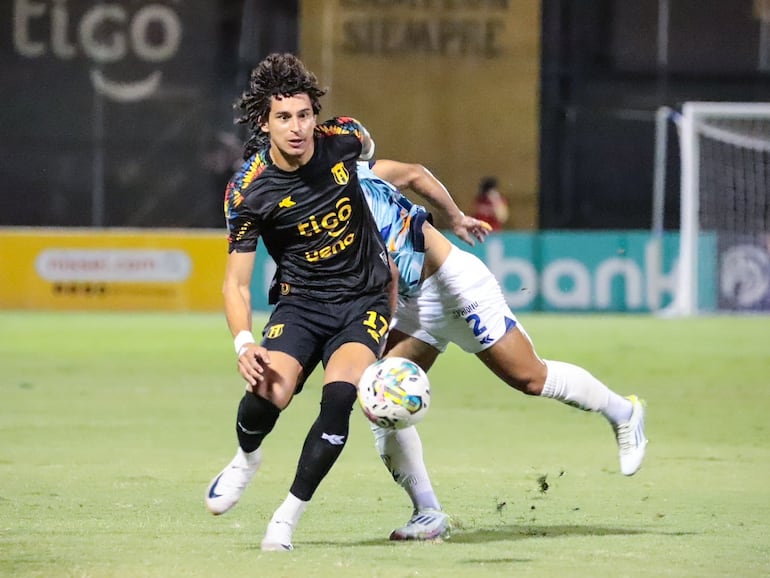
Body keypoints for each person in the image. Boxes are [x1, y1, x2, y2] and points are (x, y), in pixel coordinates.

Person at [357, 159, 648, 541]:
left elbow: (414, 174)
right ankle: (426, 512)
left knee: (530, 378)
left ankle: (624, 412)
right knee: (379, 395)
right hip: (412, 301)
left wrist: (456, 218)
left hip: (453, 286)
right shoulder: (309, 199)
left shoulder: (349, 169)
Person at [204, 53, 394, 552]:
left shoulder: (344, 138)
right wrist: (244, 343)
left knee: (339, 399)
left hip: (363, 299)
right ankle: (246, 458)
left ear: (316, 114)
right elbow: (236, 284)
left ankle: (286, 518)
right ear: (264, 122)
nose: (297, 127)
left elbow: (368, 149)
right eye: (283, 117)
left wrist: (368, 173)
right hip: (301, 304)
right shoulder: (248, 190)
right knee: (270, 393)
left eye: (304, 115)